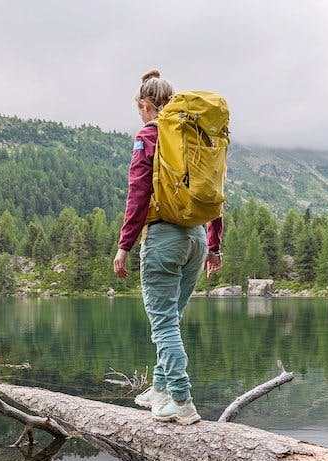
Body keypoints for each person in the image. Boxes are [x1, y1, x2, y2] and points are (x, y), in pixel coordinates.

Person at [112, 69, 223, 425]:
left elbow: (138, 193)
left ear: (146, 105)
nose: (140, 115)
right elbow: (213, 191)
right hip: (197, 238)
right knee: (172, 319)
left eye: (139, 109)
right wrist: (215, 245)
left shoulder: (149, 135)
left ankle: (181, 399)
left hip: (164, 238)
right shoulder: (193, 135)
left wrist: (124, 245)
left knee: (163, 325)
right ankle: (159, 388)